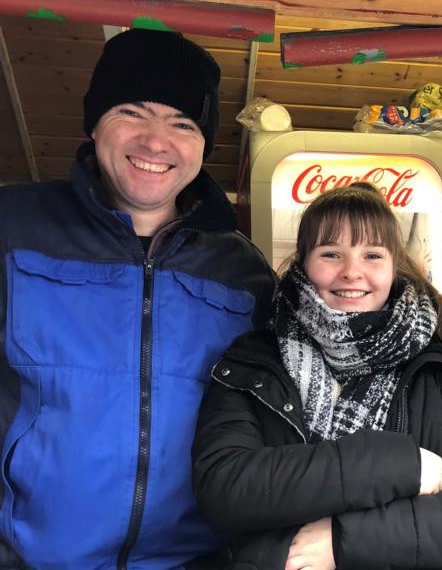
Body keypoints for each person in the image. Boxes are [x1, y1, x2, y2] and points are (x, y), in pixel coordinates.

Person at [0, 29, 275, 568]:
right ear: (95, 122)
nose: (155, 141)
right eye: (132, 112)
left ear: (203, 146)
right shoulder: (14, 226)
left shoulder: (243, 271)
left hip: (196, 560)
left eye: (183, 124)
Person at [192, 182, 442, 569]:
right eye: (331, 253)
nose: (352, 272)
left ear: (393, 266)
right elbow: (225, 486)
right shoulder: (254, 360)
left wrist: (344, 541)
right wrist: (398, 466)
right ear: (303, 263)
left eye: (372, 255)